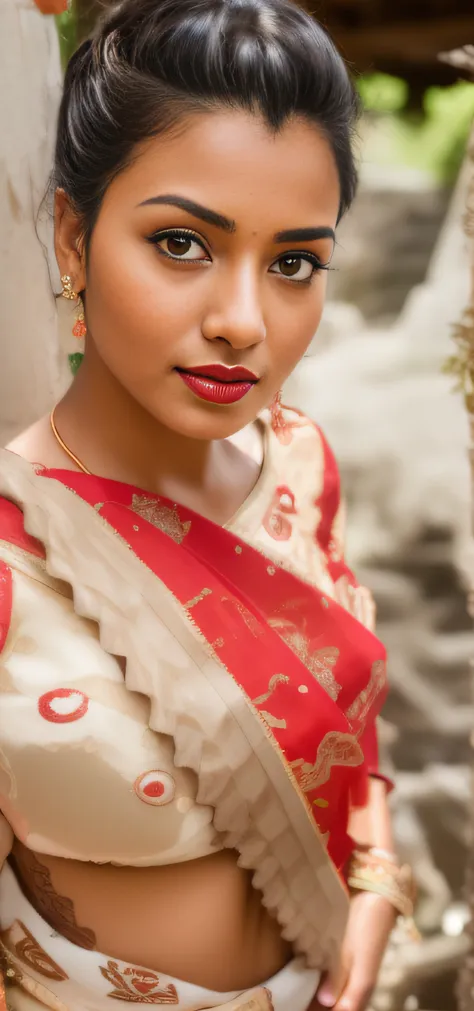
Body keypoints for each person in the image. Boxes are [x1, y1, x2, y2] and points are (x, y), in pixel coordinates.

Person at [0, 1, 416, 1009]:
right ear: (71, 235)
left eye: (294, 264)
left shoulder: (303, 464)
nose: (242, 321)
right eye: (183, 244)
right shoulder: (12, 560)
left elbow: (352, 729)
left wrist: (374, 884)